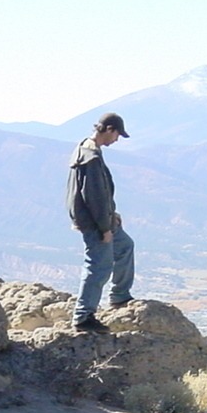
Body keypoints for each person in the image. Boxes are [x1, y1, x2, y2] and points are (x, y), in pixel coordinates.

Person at [65, 112, 134, 333]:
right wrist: (105, 228)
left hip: (102, 218)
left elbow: (101, 195)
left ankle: (120, 297)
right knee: (99, 266)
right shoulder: (91, 157)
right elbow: (94, 197)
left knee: (124, 246)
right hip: (94, 222)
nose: (117, 140)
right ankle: (83, 317)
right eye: (117, 135)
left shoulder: (85, 147)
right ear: (109, 129)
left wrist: (112, 215)